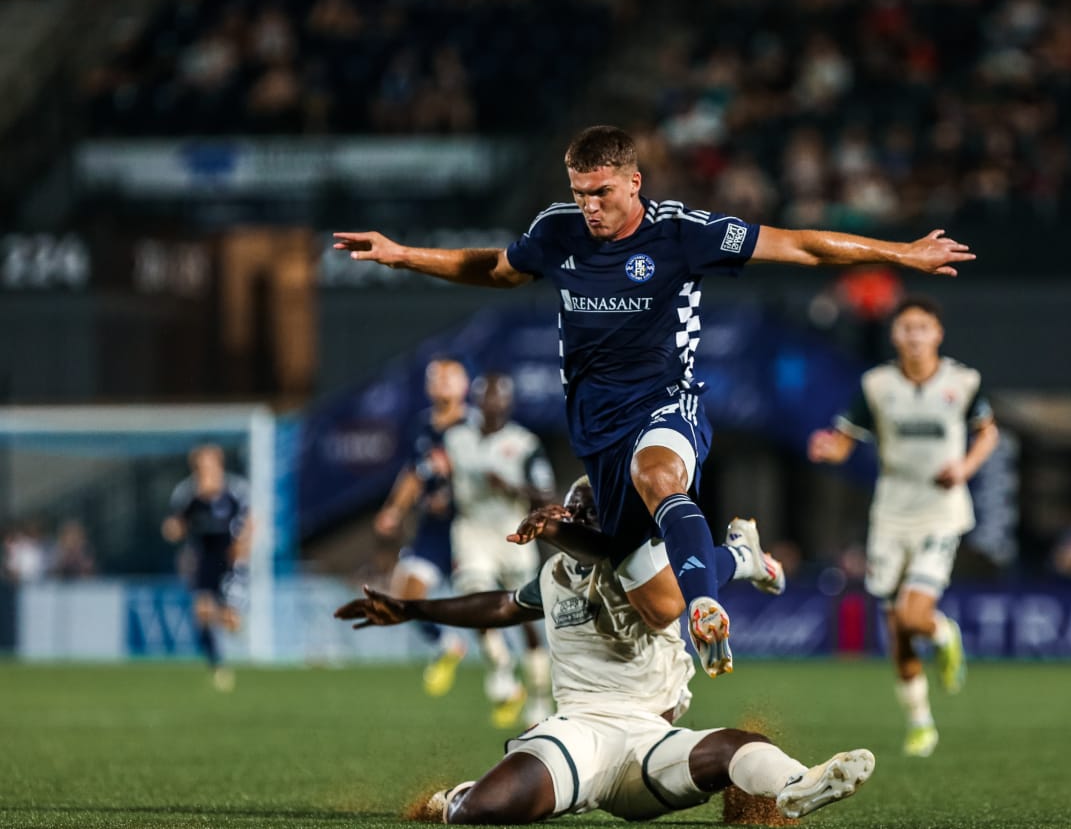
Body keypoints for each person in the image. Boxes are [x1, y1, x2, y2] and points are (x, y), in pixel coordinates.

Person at [334, 125, 974, 677]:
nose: (589, 207)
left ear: (634, 182)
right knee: (658, 602)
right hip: (596, 428)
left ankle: (707, 605)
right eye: (579, 193)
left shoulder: (682, 234)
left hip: (668, 405)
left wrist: (902, 253)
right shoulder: (558, 231)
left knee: (658, 476)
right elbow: (497, 268)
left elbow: (799, 244)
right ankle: (737, 558)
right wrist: (402, 256)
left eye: (602, 193)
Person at [334, 478, 870, 825]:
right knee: (483, 810)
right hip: (580, 732)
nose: (587, 520)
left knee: (736, 745)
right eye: (579, 513)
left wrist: (558, 528)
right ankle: (457, 798)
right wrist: (412, 608)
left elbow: (609, 550)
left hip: (649, 739)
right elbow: (501, 605)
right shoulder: (555, 573)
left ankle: (799, 782)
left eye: (597, 514)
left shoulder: (643, 561)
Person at [808, 295, 998, 757]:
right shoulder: (877, 385)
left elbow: (988, 432)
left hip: (941, 512)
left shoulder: (963, 381)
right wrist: (827, 449)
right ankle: (920, 722)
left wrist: (965, 468)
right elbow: (844, 442)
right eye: (906, 328)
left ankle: (943, 633)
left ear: (938, 334)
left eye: (922, 327)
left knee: (915, 616)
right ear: (895, 335)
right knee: (897, 629)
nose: (914, 336)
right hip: (890, 516)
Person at [441, 371, 558, 727]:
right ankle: (501, 667)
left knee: (525, 617)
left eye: (499, 397)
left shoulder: (524, 443)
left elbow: (546, 495)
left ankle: (539, 697)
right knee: (474, 598)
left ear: (508, 402)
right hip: (472, 527)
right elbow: (443, 477)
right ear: (478, 400)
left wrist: (510, 486)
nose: (493, 404)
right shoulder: (456, 438)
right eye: (487, 397)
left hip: (512, 530)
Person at [374, 356, 470, 697]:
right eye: (436, 378)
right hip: (433, 528)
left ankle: (508, 681)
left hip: (469, 526)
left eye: (449, 377)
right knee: (405, 596)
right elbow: (413, 474)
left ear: (464, 386)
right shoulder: (421, 427)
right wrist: (394, 510)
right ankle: (447, 645)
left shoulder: (474, 427)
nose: (441, 383)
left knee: (484, 604)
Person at [162, 444, 252, 692]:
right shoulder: (186, 493)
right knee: (201, 612)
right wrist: (173, 530)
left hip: (231, 559)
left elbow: (250, 523)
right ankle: (218, 667)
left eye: (209, 464)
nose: (205, 470)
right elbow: (176, 524)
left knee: (230, 621)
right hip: (203, 558)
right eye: (200, 466)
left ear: (219, 465)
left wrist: (243, 549)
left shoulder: (236, 490)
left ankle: (232, 618)